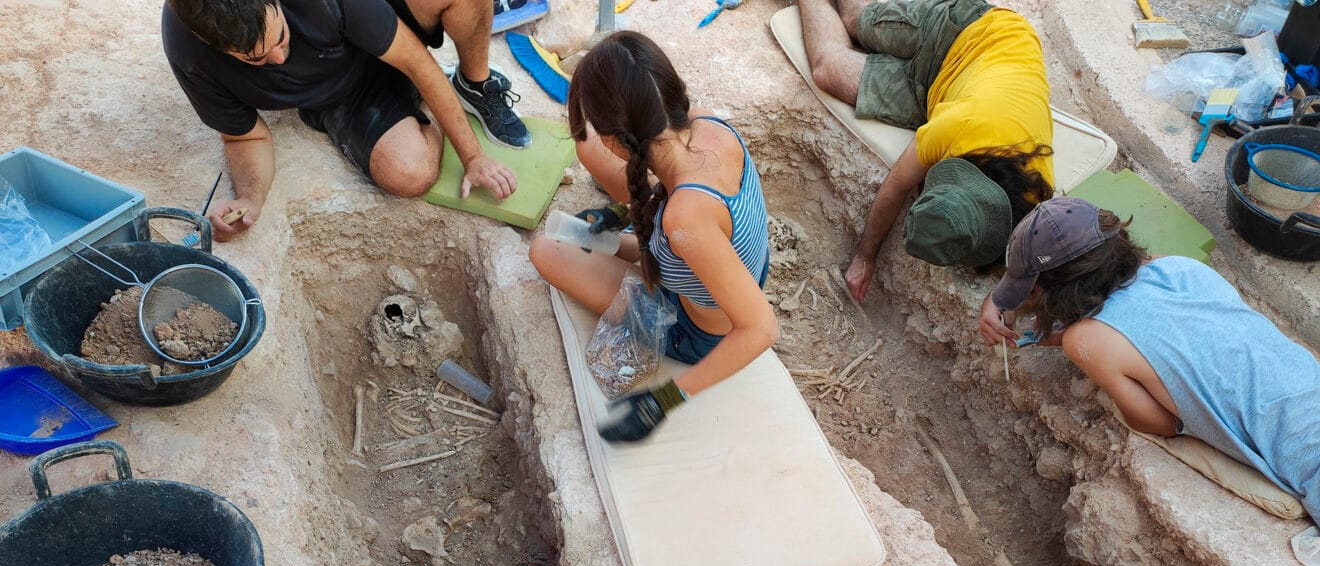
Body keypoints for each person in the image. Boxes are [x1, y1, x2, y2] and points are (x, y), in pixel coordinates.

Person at [980, 197, 1320, 525]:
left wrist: (1075, 338)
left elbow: (1161, 423)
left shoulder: (1084, 340)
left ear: (1054, 291)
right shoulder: (1180, 267)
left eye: (1033, 292)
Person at [529, 31, 776, 443]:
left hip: (696, 330)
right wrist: (619, 222)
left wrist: (661, 401)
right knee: (585, 149)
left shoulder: (684, 221)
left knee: (544, 250)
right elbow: (686, 243)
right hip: (728, 268)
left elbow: (761, 330)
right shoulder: (708, 125)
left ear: (620, 140)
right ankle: (614, 226)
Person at [163, 0, 527, 241]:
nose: (278, 57)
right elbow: (244, 138)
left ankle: (474, 82)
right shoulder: (188, 51)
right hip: (340, 91)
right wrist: (250, 198)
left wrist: (473, 157)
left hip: (380, 20)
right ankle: (418, 101)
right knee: (408, 173)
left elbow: (415, 61)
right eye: (256, 59)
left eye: (282, 37)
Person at [798, 0, 1054, 300]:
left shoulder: (1034, 193)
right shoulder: (957, 128)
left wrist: (1003, 304)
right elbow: (897, 185)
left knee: (830, 69)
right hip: (969, 32)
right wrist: (865, 256)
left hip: (946, 91)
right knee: (855, 24)